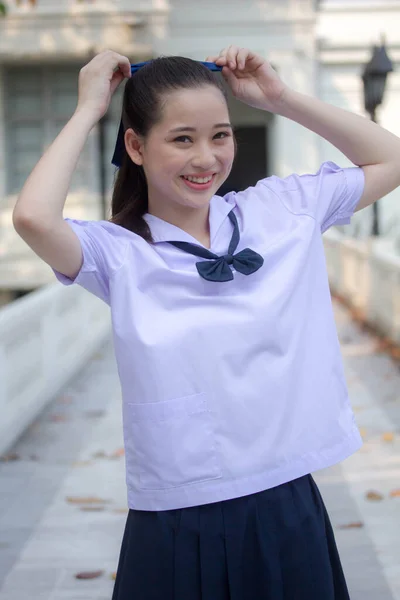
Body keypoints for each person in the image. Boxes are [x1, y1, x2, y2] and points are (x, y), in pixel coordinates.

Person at [12, 46, 400, 600]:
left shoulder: (280, 210)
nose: (206, 158)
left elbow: (392, 158)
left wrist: (281, 99)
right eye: (182, 138)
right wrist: (86, 111)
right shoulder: (119, 254)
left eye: (220, 135)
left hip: (284, 495)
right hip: (176, 511)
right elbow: (32, 217)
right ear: (136, 147)